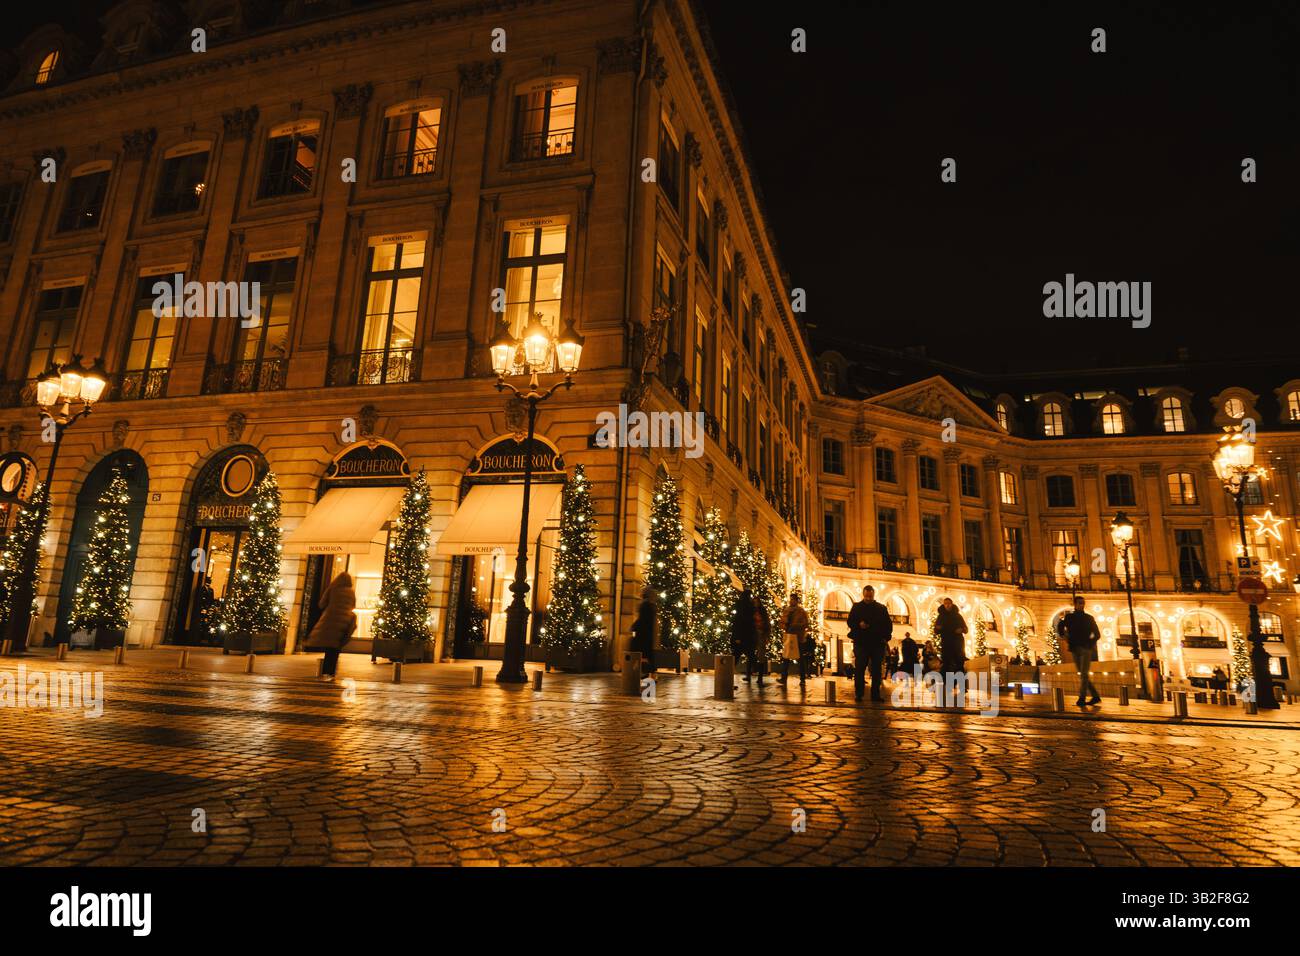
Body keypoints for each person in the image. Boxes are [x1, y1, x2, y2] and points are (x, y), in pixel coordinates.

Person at [303, 570, 356, 681]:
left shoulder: (333, 589)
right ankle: (331, 672)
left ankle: (326, 672)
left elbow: (321, 604)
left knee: (329, 648)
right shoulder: (351, 592)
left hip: (330, 620)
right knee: (336, 648)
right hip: (344, 621)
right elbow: (353, 606)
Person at [846, 585, 893, 701]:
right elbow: (850, 621)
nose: (868, 598)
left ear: (873, 595)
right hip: (861, 642)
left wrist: (885, 638)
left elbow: (888, 625)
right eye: (866, 596)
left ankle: (875, 694)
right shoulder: (857, 607)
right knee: (860, 668)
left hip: (877, 643)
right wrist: (859, 624)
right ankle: (859, 693)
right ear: (863, 594)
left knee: (876, 670)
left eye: (870, 596)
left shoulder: (881, 608)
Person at [1059, 595, 1101, 706]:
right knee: (1083, 674)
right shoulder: (1069, 617)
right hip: (1074, 649)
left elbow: (1097, 634)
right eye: (1079, 603)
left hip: (1085, 649)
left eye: (1083, 603)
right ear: (1075, 604)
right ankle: (1095, 696)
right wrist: (1063, 636)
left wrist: (1089, 644)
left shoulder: (1089, 618)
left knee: (1083, 674)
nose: (1082, 605)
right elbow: (1060, 625)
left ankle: (1081, 698)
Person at [779, 592, 811, 687]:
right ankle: (783, 678)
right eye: (790, 599)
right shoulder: (786, 610)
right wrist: (784, 623)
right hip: (789, 636)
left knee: (800, 659)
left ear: (797, 601)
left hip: (798, 638)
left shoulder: (801, 611)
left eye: (793, 599)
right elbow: (781, 623)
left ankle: (802, 679)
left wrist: (795, 626)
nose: (791, 601)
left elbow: (805, 624)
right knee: (786, 658)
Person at [733, 589, 763, 685]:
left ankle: (755, 670)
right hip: (746, 636)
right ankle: (756, 669)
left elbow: (738, 622)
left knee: (737, 657)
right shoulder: (747, 607)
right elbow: (742, 622)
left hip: (743, 636)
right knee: (749, 655)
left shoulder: (743, 606)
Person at [935, 597, 968, 679]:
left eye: (949, 603)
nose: (947, 605)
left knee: (959, 662)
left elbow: (966, 629)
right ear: (943, 605)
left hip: (958, 643)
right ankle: (947, 682)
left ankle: (961, 683)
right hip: (946, 642)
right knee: (946, 662)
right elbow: (935, 630)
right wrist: (938, 628)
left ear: (952, 604)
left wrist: (962, 629)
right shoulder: (941, 616)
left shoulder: (958, 616)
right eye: (945, 604)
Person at [630, 588, 657, 678]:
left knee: (637, 651)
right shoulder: (651, 606)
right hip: (648, 634)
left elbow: (642, 620)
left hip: (642, 634)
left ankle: (639, 671)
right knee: (647, 654)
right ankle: (650, 673)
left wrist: (634, 627)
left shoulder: (645, 605)